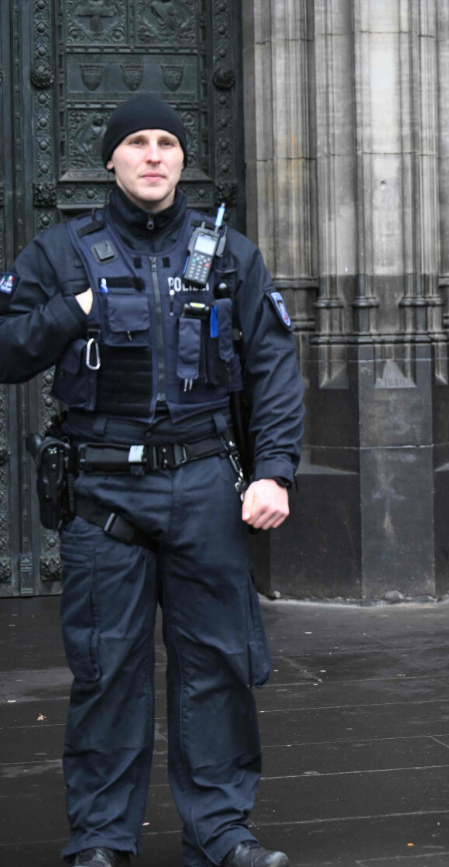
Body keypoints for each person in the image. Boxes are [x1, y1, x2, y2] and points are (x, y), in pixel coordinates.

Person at [0, 95, 301, 867]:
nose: (154, 154)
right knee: (108, 671)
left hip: (205, 483)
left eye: (167, 141)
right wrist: (71, 312)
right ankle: (101, 838)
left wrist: (274, 470)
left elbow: (271, 365)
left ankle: (223, 830)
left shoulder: (227, 251)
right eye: (137, 141)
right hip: (103, 491)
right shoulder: (62, 252)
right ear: (111, 159)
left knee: (219, 665)